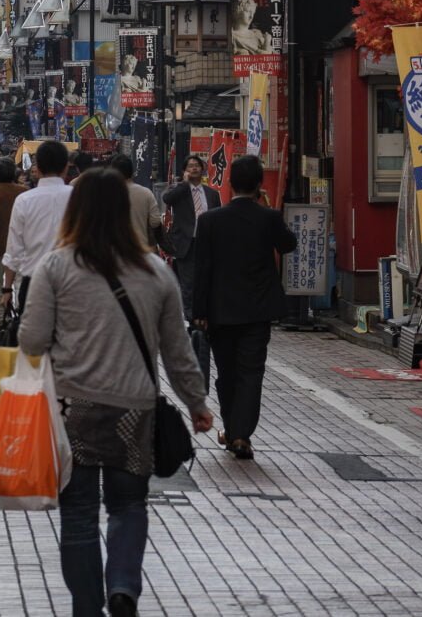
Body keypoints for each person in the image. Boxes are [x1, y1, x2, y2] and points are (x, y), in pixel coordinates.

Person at [19, 169, 212, 617]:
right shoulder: (155, 272)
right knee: (128, 504)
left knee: (79, 514)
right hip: (135, 408)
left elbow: (30, 340)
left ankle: (87, 608)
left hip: (74, 410)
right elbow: (177, 350)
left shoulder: (56, 265)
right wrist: (197, 403)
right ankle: (123, 587)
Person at [192, 154, 297, 461]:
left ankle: (234, 430)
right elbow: (288, 244)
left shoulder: (209, 220)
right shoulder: (268, 218)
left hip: (219, 312)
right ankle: (240, 435)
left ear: (229, 182)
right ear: (259, 184)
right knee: (251, 373)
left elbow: (202, 270)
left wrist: (199, 311)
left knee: (226, 374)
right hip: (257, 311)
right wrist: (267, 205)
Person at [163, 155, 222, 389]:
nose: (194, 169)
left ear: (203, 169)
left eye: (197, 166)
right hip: (186, 243)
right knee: (188, 283)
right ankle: (191, 319)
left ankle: (203, 317)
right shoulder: (179, 190)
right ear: (185, 170)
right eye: (190, 166)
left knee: (204, 281)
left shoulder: (212, 193)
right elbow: (167, 199)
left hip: (206, 244)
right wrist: (184, 183)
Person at [2, 139, 71, 314]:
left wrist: (7, 289)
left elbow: (13, 250)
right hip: (72, 286)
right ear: (66, 167)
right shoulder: (79, 197)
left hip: (34, 285)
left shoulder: (24, 201)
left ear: (37, 168)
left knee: (34, 338)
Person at [0, 157, 27, 326]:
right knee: (19, 283)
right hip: (21, 247)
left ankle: (0, 318)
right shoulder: (24, 192)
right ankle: (20, 315)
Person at [109, 154, 162, 251]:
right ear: (132, 173)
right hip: (141, 250)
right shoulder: (146, 193)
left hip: (113, 250)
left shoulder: (105, 194)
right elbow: (155, 222)